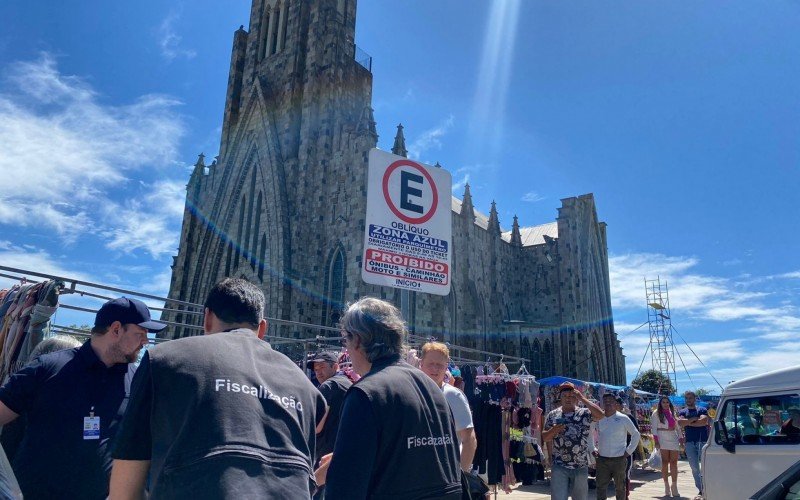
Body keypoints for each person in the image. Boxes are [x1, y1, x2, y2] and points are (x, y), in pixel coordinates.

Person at [110, 278, 327, 499]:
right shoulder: (305, 387)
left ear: (207, 318)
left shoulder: (164, 360)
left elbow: (124, 490)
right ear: (262, 328)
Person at [0, 297, 163, 499]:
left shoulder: (138, 381)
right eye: (140, 334)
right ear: (116, 329)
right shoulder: (47, 368)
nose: (145, 342)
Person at [321, 297, 461, 499]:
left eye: (346, 340)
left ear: (358, 340)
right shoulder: (433, 389)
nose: (346, 350)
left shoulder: (366, 393)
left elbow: (344, 489)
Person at [419, 341, 478, 472]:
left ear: (446, 368)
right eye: (430, 364)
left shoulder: (454, 396)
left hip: (446, 475)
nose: (434, 369)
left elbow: (469, 439)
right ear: (421, 365)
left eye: (439, 365)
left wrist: (461, 475)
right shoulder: (410, 392)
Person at [542, 382, 605, 500]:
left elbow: (601, 415)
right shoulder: (552, 415)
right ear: (560, 398)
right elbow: (545, 437)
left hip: (580, 465)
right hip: (559, 465)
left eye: (571, 396)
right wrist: (554, 430)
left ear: (576, 398)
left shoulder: (584, 413)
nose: (568, 399)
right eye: (565, 396)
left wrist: (583, 398)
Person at [309, 350, 351, 499]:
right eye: (315, 369)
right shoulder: (350, 384)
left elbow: (316, 425)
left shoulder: (328, 386)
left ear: (335, 367)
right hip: (343, 452)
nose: (318, 372)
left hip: (324, 456)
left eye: (322, 367)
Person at [594, 393, 640, 500]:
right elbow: (590, 433)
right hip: (602, 459)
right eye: (605, 401)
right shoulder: (598, 418)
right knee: (600, 487)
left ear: (615, 403)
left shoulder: (623, 418)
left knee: (620, 488)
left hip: (619, 459)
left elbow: (636, 434)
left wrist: (629, 451)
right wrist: (593, 449)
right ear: (601, 403)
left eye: (610, 401)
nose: (608, 403)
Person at [677, 390, 709, 498]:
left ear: (694, 399)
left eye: (690, 398)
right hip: (689, 443)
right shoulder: (682, 411)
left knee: (705, 467)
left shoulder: (702, 409)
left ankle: (707, 487)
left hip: (702, 441)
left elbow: (703, 422)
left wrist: (688, 422)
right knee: (694, 468)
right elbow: (680, 423)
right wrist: (694, 419)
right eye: (686, 398)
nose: (688, 400)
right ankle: (701, 490)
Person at [650, 396, 683, 497]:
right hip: (662, 438)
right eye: (663, 402)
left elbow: (677, 426)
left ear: (669, 403)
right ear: (660, 403)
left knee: (674, 462)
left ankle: (674, 485)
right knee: (664, 462)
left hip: (673, 437)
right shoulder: (656, 413)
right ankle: (666, 486)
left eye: (667, 402)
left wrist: (681, 438)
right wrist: (656, 441)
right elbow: (654, 429)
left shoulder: (672, 412)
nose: (665, 404)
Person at [614, 396, 639, 500]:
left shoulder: (628, 417)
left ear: (620, 405)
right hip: (612, 451)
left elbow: (636, 433)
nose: (613, 406)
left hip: (626, 451)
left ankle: (625, 496)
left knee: (625, 474)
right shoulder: (606, 417)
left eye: (615, 404)